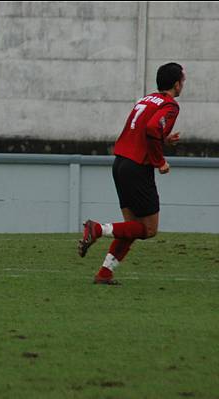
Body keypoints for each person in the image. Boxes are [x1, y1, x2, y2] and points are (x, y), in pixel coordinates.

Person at [78, 62, 185, 285]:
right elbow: (153, 128)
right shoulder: (170, 105)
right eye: (183, 81)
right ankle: (97, 228)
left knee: (132, 228)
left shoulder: (146, 100)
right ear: (177, 84)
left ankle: (105, 273)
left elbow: (138, 130)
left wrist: (164, 141)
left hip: (120, 163)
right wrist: (160, 161)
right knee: (148, 229)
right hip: (137, 167)